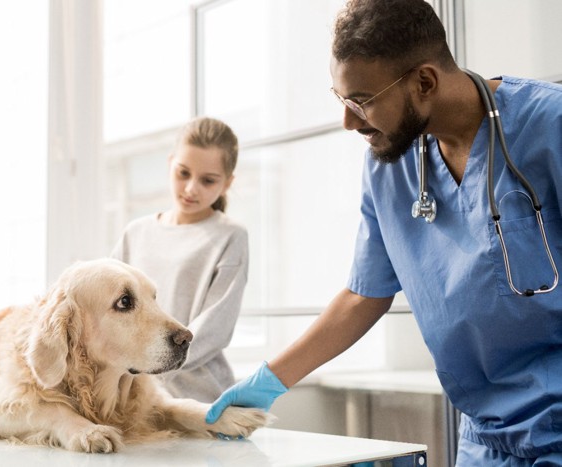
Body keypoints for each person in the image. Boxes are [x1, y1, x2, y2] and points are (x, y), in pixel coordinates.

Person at [205, 0, 562, 464]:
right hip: (486, 440)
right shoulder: (388, 167)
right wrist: (272, 380)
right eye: (342, 99)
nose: (349, 121)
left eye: (363, 100)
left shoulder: (549, 126)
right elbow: (364, 295)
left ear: (425, 82)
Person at [111, 116, 248, 403]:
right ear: (170, 163)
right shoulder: (136, 233)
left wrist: (153, 368)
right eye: (183, 173)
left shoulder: (230, 236)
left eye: (208, 180)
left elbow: (215, 328)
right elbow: (108, 308)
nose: (191, 189)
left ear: (227, 183)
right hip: (134, 395)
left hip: (200, 398)